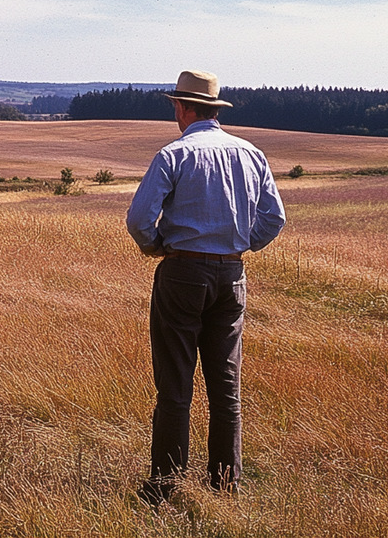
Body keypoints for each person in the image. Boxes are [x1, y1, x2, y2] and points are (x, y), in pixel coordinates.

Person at [125, 69, 285, 503]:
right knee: (226, 387)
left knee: (175, 386)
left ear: (183, 107)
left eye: (175, 106)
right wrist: (238, 246)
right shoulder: (251, 154)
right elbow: (274, 219)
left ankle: (166, 487)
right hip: (232, 277)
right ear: (215, 109)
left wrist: (159, 247)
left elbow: (139, 220)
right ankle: (224, 485)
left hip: (182, 274)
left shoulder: (174, 154)